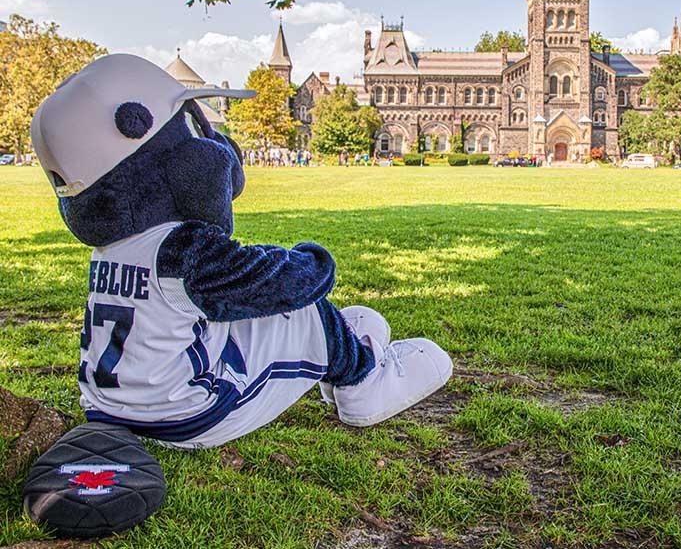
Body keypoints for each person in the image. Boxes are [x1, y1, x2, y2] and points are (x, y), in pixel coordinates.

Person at [29, 54, 452, 449]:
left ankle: (340, 350)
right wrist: (312, 261)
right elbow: (280, 281)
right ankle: (363, 385)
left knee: (250, 319)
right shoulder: (182, 251)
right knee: (302, 310)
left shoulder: (110, 250)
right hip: (187, 414)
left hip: (110, 409)